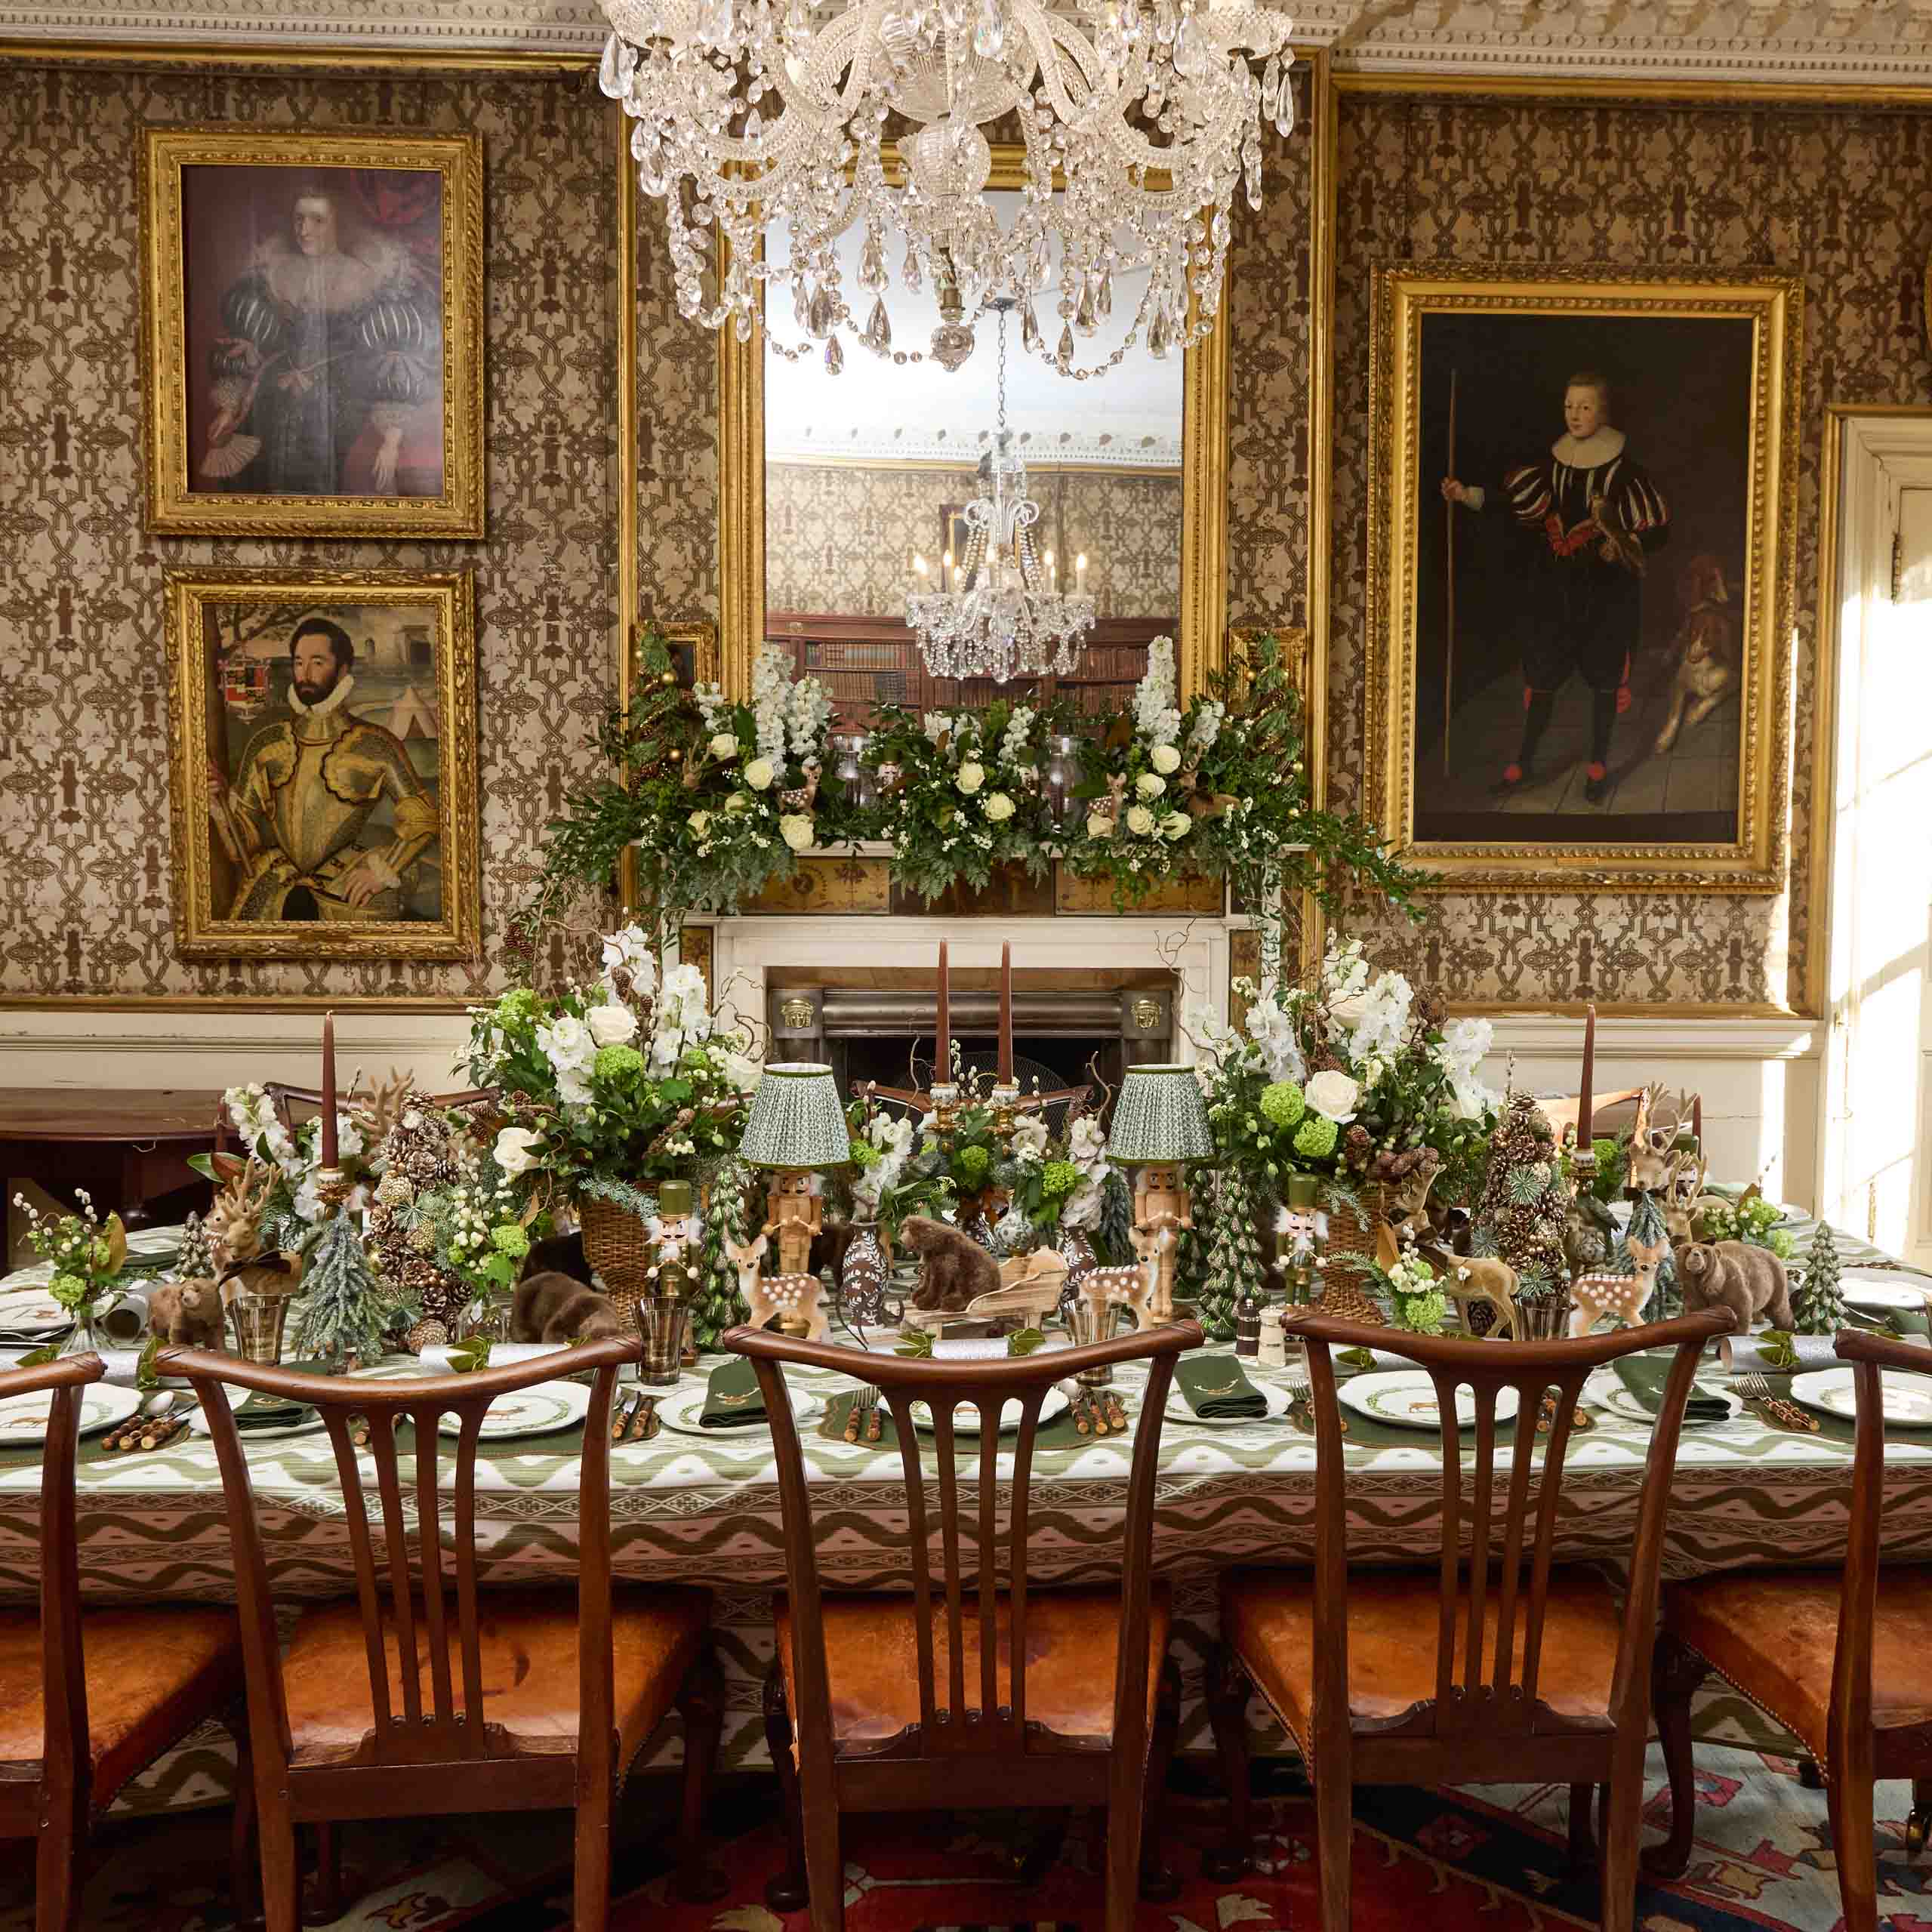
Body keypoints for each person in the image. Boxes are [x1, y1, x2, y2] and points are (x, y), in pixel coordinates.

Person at [1442, 370, 1669, 803]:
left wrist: (1624, 544)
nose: (1575, 414)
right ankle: (1523, 762)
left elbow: (1657, 529)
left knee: (1604, 678)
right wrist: (1465, 495)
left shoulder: (1626, 472)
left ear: (1603, 411)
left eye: (1585, 406)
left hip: (1605, 594)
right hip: (1553, 591)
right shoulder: (1552, 464)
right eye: (1569, 406)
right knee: (1544, 675)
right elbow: (1512, 503)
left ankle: (1598, 764)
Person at [201, 185, 436, 497]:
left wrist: (392, 439)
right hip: (273, 400)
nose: (304, 230)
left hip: (344, 402)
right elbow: (250, 345)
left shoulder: (366, 278)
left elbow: (391, 359)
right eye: (298, 219)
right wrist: (229, 409)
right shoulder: (274, 274)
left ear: (338, 223)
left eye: (317, 220)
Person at [208, 616, 439, 923]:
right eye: (299, 662)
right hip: (276, 889)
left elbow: (423, 819)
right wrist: (219, 805)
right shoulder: (267, 742)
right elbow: (243, 845)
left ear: (342, 670)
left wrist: (382, 872)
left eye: (317, 663)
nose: (305, 673)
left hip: (345, 890)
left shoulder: (374, 743)